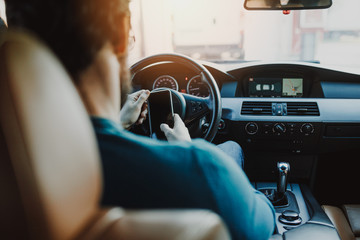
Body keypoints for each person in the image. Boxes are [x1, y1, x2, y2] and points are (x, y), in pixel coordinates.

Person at [6, 0, 276, 239]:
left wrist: (120, 123)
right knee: (231, 150)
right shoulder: (203, 170)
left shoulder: (16, 168)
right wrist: (185, 148)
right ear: (122, 34)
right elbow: (261, 224)